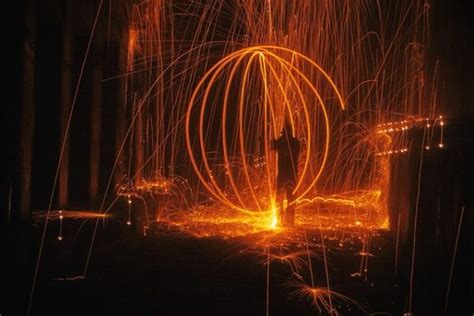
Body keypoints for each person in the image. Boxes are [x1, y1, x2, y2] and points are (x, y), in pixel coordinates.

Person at [271, 121, 300, 227]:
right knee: (290, 198)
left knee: (279, 196)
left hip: (284, 174)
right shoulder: (295, 142)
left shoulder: (283, 142)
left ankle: (281, 220)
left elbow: (273, 146)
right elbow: (273, 146)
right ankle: (289, 221)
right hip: (292, 174)